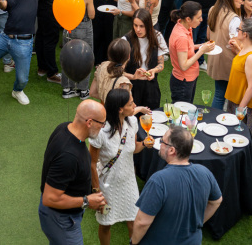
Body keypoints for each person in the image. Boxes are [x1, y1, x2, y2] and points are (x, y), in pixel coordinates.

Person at [132, 126, 222, 245]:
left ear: (171, 150)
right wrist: (195, 224)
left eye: (162, 142)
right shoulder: (205, 172)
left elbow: (142, 222)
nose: (160, 144)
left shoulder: (158, 180)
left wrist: (133, 242)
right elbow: (216, 201)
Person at [89, 89, 153, 245]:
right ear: (120, 109)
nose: (134, 105)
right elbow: (91, 163)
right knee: (106, 224)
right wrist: (97, 191)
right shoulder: (101, 132)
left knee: (133, 221)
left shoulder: (132, 122)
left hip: (129, 182)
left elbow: (132, 149)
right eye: (131, 103)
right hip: (107, 185)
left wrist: (144, 144)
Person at [39, 100, 107, 244]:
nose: (103, 127)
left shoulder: (64, 127)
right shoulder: (69, 156)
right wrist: (87, 201)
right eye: (102, 123)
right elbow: (49, 198)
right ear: (89, 122)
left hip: (61, 215)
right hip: (61, 219)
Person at [225, 18, 252, 174]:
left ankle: (249, 167)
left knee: (243, 135)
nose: (237, 32)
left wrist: (241, 108)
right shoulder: (249, 48)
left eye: (239, 30)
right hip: (236, 99)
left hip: (242, 103)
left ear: (246, 34)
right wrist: (237, 49)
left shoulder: (251, 56)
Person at [60, 0, 95, 100]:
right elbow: (91, 15)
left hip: (68, 27)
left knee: (68, 56)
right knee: (85, 57)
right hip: (84, 27)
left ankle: (67, 88)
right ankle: (83, 90)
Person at [169, 2, 215, 103]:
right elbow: (184, 65)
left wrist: (201, 46)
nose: (201, 20)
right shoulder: (181, 37)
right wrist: (201, 51)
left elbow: (186, 48)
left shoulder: (184, 26)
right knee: (182, 114)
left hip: (186, 79)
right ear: (188, 19)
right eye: (198, 18)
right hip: (183, 82)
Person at [123, 9, 168, 111]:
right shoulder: (125, 40)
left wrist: (154, 71)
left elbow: (161, 64)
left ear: (148, 25)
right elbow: (118, 72)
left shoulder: (157, 37)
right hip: (131, 88)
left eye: (141, 26)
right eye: (135, 25)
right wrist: (133, 77)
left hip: (151, 86)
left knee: (151, 117)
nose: (138, 29)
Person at [207, 0, 243, 109]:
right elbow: (234, 45)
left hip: (215, 57)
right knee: (225, 96)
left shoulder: (213, 10)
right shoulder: (234, 19)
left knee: (219, 94)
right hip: (228, 61)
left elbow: (208, 34)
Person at [90, 38, 134, 103]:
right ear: (129, 56)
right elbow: (127, 109)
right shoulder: (124, 83)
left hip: (103, 110)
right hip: (117, 113)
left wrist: (133, 77)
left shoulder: (102, 66)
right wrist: (141, 109)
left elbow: (92, 93)